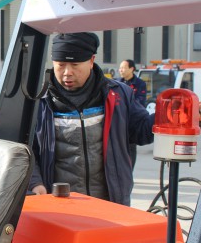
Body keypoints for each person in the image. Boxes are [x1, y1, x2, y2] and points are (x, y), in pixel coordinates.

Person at [30, 33, 154, 206]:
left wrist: (166, 115)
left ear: (91, 61)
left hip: (109, 204)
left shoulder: (118, 95)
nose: (67, 72)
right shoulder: (38, 100)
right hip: (59, 206)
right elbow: (23, 148)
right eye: (60, 65)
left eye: (75, 65)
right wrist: (34, 182)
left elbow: (142, 132)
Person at [118, 59, 148, 167]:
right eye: (120, 68)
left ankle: (129, 171)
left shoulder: (139, 84)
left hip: (131, 120)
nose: (121, 70)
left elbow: (140, 102)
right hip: (119, 120)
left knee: (130, 147)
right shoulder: (117, 83)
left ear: (132, 69)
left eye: (123, 68)